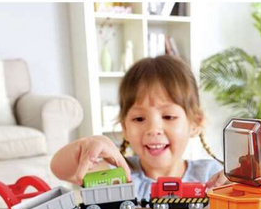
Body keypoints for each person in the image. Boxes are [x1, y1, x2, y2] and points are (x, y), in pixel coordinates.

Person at [51, 55, 228, 198]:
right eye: (139, 118)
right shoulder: (117, 175)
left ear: (195, 123)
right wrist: (86, 146)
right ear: (125, 128)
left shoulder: (211, 176)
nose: (153, 129)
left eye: (168, 116)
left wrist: (239, 184)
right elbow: (59, 169)